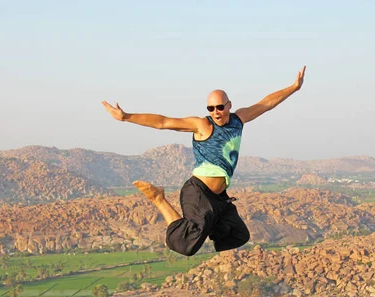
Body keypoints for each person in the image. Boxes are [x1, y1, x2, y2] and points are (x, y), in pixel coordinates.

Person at [102, 66, 306, 256]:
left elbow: (266, 104)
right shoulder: (202, 125)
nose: (216, 112)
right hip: (198, 191)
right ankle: (158, 199)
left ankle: (206, 224)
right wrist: (126, 117)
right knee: (185, 246)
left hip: (219, 198)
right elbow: (163, 122)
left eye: (219, 107)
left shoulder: (238, 120)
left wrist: (294, 88)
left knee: (239, 235)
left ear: (229, 105)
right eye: (211, 108)